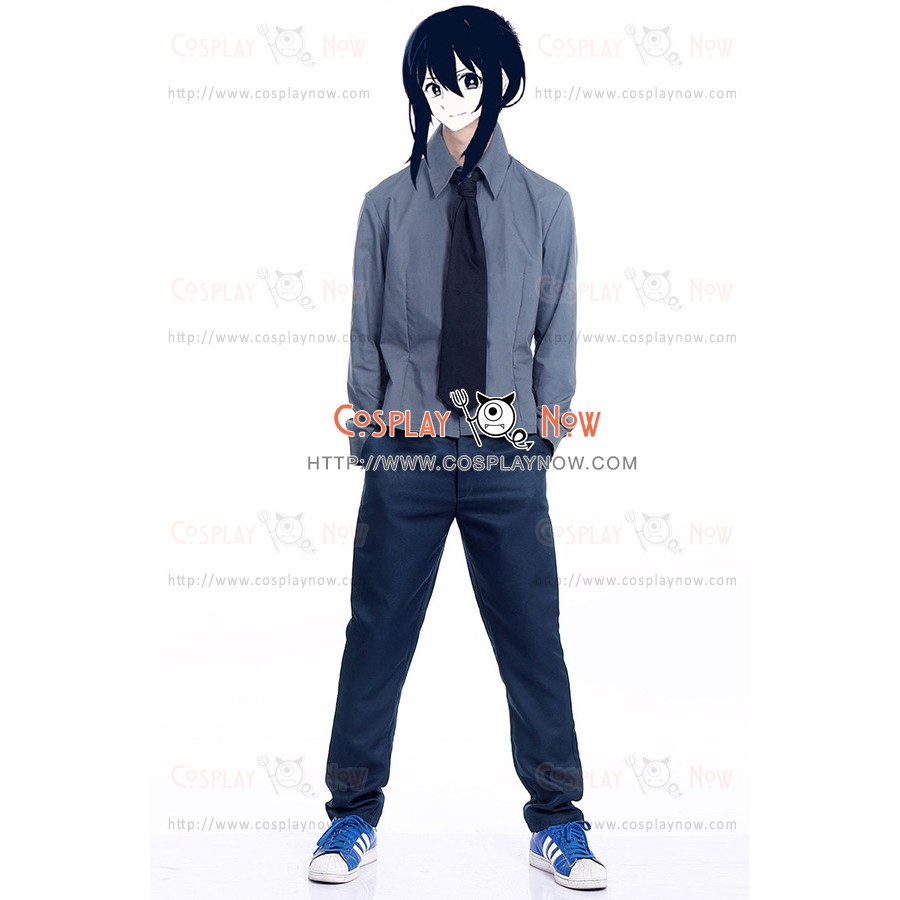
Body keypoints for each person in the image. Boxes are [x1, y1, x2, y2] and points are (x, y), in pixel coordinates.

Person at [309, 6, 607, 891]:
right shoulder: (384, 206)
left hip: (505, 458)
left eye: (467, 78)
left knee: (532, 638)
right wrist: (372, 438)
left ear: (501, 82)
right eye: (433, 81)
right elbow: (365, 333)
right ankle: (351, 815)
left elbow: (558, 335)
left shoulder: (547, 206)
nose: (450, 95)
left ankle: (558, 820)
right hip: (406, 454)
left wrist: (542, 436)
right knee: (375, 635)